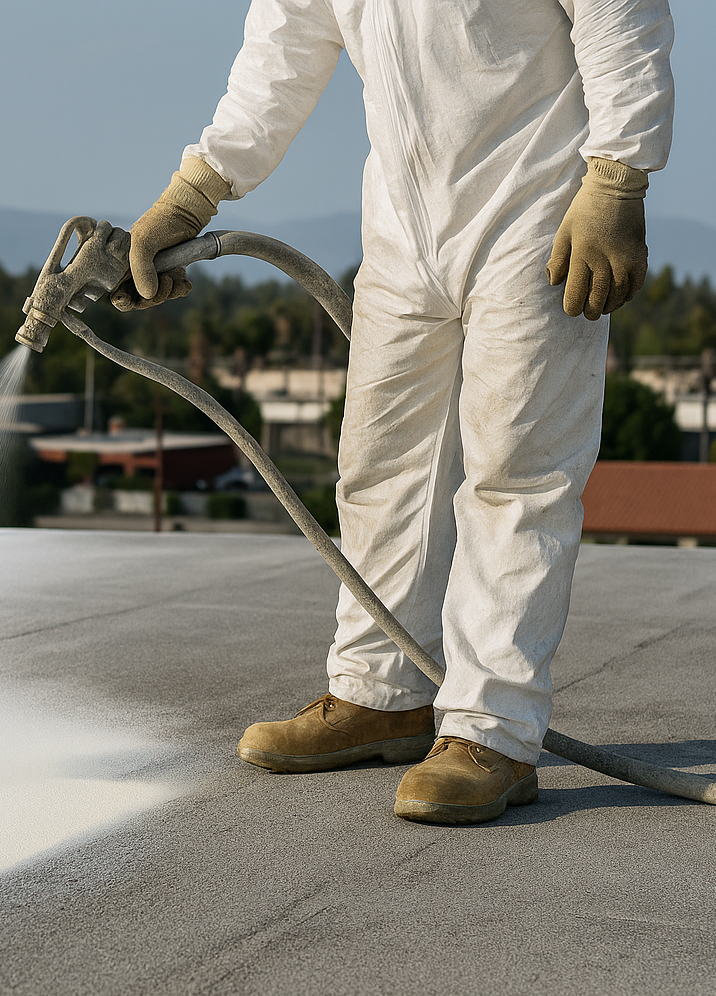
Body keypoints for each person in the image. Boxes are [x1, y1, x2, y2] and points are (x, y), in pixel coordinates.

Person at [115, 1, 674, 824]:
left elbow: (621, 16)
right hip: (406, 228)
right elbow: (285, 45)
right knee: (381, 467)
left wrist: (618, 178)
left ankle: (495, 730)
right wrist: (199, 187)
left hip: (540, 213)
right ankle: (382, 694)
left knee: (516, 478)